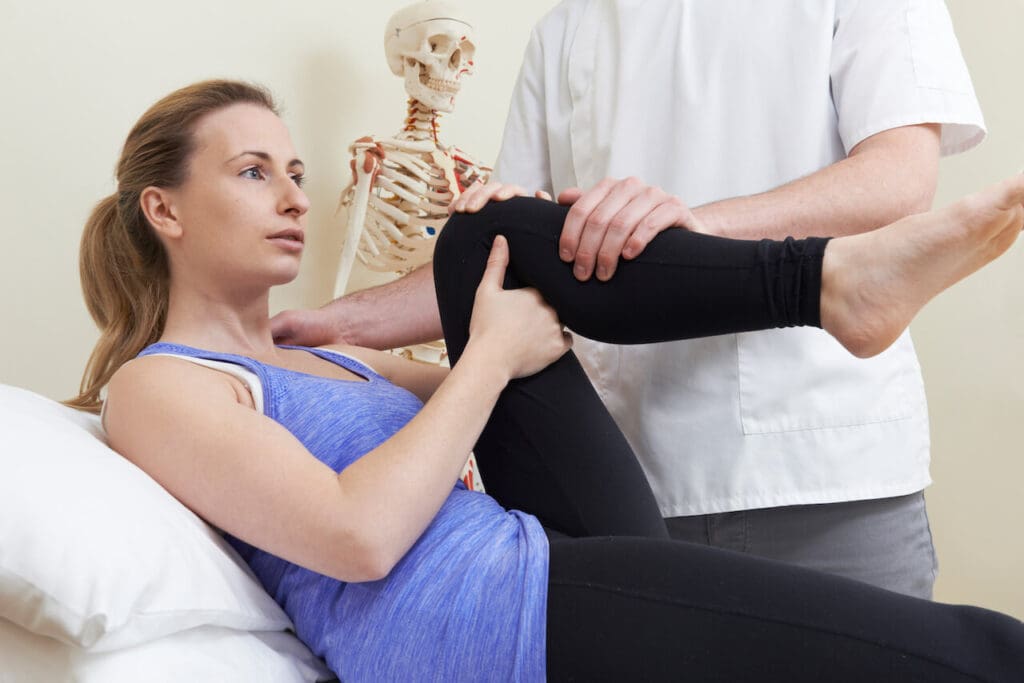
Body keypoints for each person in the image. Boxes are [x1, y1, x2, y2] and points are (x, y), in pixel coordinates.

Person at [68, 80, 1024, 682]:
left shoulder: (327, 356)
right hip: (469, 622)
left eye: (296, 170)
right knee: (963, 653)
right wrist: (480, 356)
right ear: (164, 208)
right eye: (251, 171)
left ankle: (829, 285)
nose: (294, 196)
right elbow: (355, 537)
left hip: (531, 557)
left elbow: (530, 367)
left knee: (486, 237)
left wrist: (522, 266)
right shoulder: (161, 383)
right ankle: (829, 284)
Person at [272, 0, 987, 599]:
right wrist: (338, 321)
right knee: (481, 229)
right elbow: (503, 256)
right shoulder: (567, 30)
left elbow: (898, 180)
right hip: (627, 483)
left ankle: (827, 289)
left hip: (828, 468)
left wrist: (691, 231)